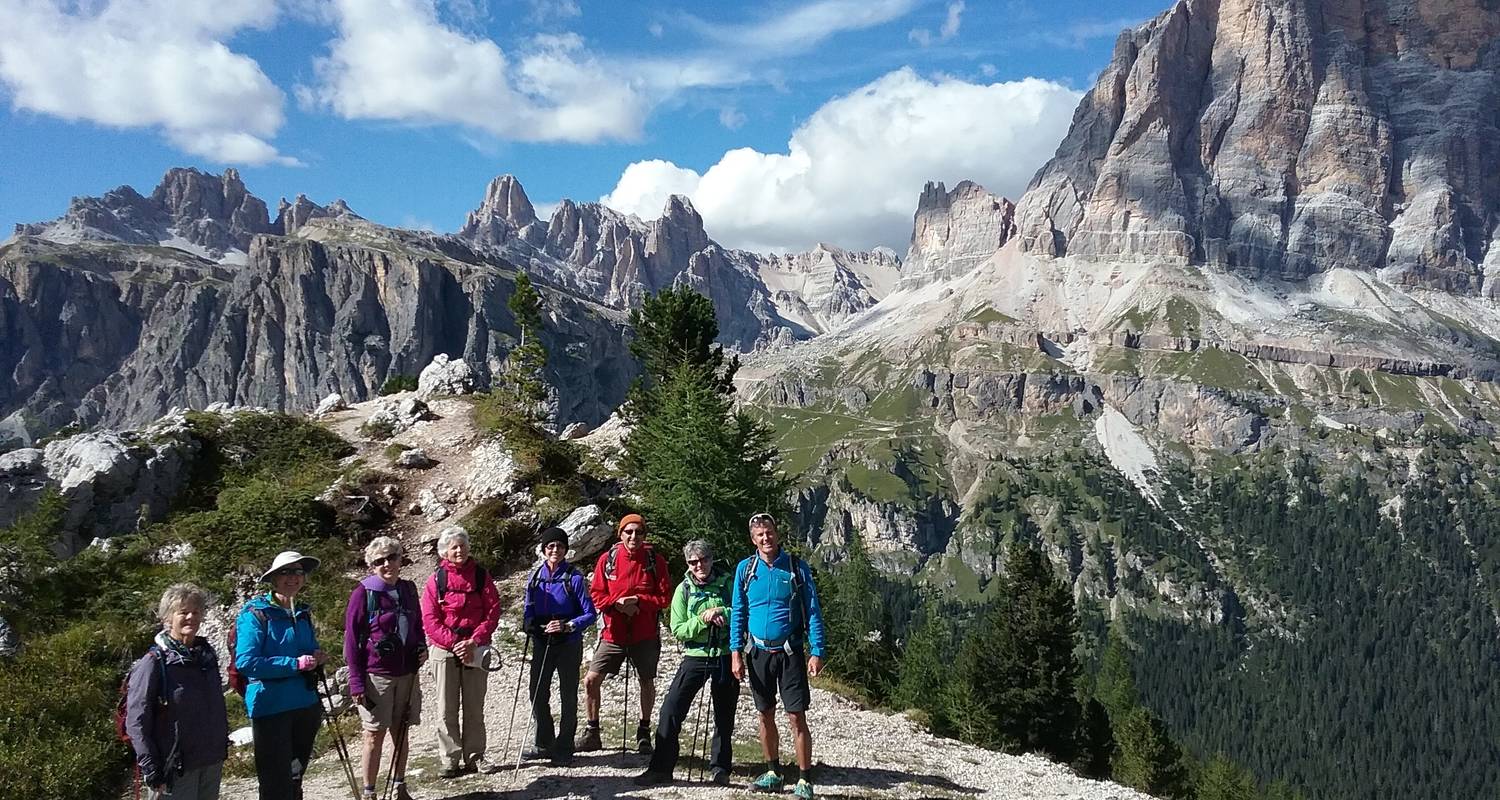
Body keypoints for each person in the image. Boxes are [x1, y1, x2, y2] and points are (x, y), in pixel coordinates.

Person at [730, 513, 827, 800]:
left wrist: (817, 651)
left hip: (790, 652)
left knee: (796, 716)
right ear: (753, 539)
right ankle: (772, 773)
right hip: (757, 652)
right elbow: (738, 612)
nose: (766, 538)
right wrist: (735, 652)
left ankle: (804, 779)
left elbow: (812, 611)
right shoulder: (745, 570)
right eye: (760, 535)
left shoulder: (796, 568)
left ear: (777, 533)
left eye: (769, 532)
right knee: (764, 714)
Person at [635, 539, 740, 787]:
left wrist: (722, 613)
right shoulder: (683, 589)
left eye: (703, 560)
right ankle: (661, 767)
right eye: (693, 562)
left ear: (711, 559)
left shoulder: (729, 583)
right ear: (687, 564)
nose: (699, 565)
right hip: (695, 656)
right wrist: (703, 620)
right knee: (671, 710)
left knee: (724, 715)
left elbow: (742, 611)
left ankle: (721, 768)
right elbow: (678, 629)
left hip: (724, 654)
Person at [236, 551, 327, 800]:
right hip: (271, 707)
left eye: (299, 572)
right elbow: (246, 662)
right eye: (286, 572)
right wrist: (294, 664)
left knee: (296, 775)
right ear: (274, 578)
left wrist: (316, 658)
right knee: (275, 782)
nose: (293, 577)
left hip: (305, 704)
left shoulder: (302, 612)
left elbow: (306, 651)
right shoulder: (255, 614)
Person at [125, 583, 229, 800]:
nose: (191, 617)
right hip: (173, 768)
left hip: (210, 762)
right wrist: (151, 767)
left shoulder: (206, 658)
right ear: (167, 618)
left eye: (196, 611)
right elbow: (136, 721)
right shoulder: (153, 663)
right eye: (183, 612)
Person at [578, 513, 671, 753]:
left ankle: (643, 731)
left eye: (638, 532)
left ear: (644, 535)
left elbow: (664, 598)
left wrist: (639, 601)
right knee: (591, 680)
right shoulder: (607, 560)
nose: (633, 536)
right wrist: (616, 604)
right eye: (628, 532)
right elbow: (597, 594)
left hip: (645, 633)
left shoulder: (655, 561)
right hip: (613, 634)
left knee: (646, 681)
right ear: (620, 534)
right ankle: (592, 731)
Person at [344, 536, 426, 800]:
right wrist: (356, 683)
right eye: (379, 561)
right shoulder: (362, 594)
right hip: (375, 676)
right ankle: (369, 793)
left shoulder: (408, 589)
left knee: (401, 733)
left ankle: (399, 787)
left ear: (401, 559)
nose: (387, 564)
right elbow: (351, 641)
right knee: (373, 736)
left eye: (392, 557)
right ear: (372, 565)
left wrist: (420, 646)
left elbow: (417, 626)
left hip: (407, 673)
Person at [421, 526, 502, 777]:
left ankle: (475, 756)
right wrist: (455, 642)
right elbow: (429, 619)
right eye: (454, 547)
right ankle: (450, 758)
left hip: (475, 648)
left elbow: (493, 611)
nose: (459, 550)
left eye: (462, 545)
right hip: (445, 650)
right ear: (444, 552)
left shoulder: (481, 576)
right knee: (446, 707)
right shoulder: (436, 580)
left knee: (474, 706)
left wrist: (474, 641)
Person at [520, 526, 598, 765]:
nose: (555, 550)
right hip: (542, 641)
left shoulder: (574, 577)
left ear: (566, 549)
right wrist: (529, 623)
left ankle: (564, 746)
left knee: (567, 694)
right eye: (551, 546)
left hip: (568, 643)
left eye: (560, 546)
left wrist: (568, 625)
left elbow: (590, 614)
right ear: (544, 549)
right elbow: (528, 608)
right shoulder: (535, 577)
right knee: (537, 691)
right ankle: (544, 742)